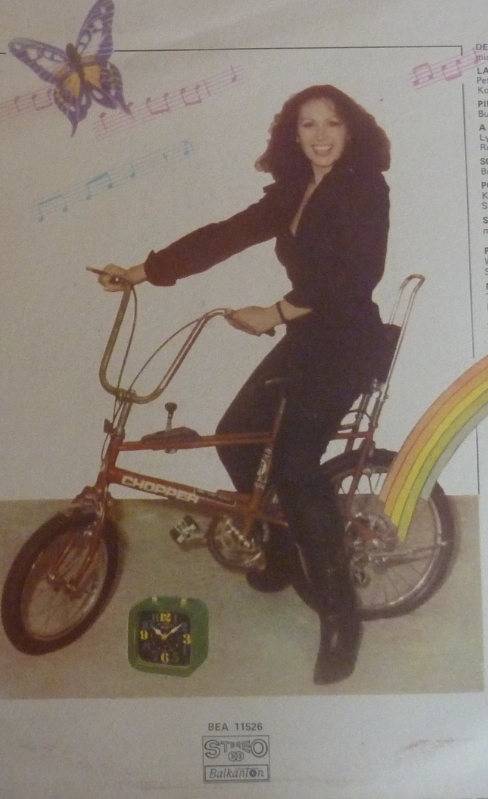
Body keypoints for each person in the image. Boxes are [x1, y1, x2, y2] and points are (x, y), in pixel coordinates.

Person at [98, 84, 390, 685]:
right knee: (238, 435)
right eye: (307, 125)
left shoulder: (365, 189)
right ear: (292, 134)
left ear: (351, 130)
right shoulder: (293, 190)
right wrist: (142, 271)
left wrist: (274, 312)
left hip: (348, 341)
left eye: (332, 123)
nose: (320, 136)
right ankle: (280, 552)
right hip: (307, 339)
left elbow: (354, 277)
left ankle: (341, 617)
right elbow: (226, 234)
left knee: (295, 464)